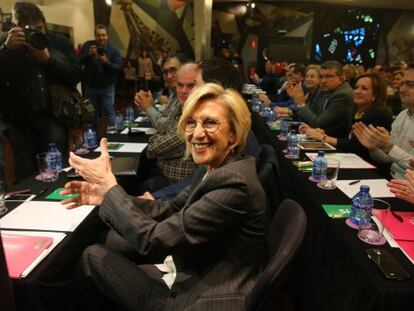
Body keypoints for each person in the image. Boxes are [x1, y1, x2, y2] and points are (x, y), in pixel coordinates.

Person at [61, 83, 266, 311]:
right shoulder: (215, 167)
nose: (197, 133)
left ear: (234, 135)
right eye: (191, 122)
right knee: (105, 243)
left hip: (203, 298)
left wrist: (111, 190)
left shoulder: (234, 184)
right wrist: (105, 197)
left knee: (91, 258)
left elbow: (154, 241)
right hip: (195, 271)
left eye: (210, 122)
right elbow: (169, 209)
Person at [0, 1, 81, 181]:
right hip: (19, 121)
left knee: (56, 171)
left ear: (44, 23)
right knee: (26, 175)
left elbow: (76, 74)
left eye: (38, 27)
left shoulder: (58, 41)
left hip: (54, 116)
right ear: (15, 26)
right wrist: (5, 50)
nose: (34, 32)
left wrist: (49, 61)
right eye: (27, 29)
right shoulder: (5, 42)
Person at [300, 73, 393, 163]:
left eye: (364, 88)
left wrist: (324, 137)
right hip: (351, 159)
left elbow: (358, 146)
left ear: (375, 96)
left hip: (370, 166)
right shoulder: (356, 109)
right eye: (356, 87)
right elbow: (341, 130)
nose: (357, 91)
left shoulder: (380, 114)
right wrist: (321, 131)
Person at [136, 63, 199, 194]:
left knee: (133, 187)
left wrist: (149, 108)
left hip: (180, 183)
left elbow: (153, 147)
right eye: (180, 85)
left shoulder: (197, 115)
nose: (183, 90)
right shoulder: (182, 104)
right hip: (165, 171)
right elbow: (164, 126)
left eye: (190, 86)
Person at [353, 65, 414, 179]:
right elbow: (388, 160)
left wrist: (389, 148)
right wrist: (373, 148)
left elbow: (410, 164)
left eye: (410, 85)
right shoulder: (402, 116)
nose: (401, 90)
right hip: (392, 179)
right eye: (402, 84)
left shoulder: (380, 113)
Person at [295, 60, 354, 138]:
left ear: (341, 78)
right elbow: (313, 112)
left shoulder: (342, 95)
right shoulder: (326, 90)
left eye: (329, 76)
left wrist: (301, 104)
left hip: (337, 142)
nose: (323, 81)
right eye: (321, 77)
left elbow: (318, 123)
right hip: (324, 134)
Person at [79, 24, 122, 126]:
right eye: (99, 35)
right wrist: (88, 55)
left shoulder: (114, 50)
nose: (101, 38)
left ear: (107, 36)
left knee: (109, 112)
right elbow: (78, 60)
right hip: (91, 87)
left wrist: (106, 62)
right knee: (91, 114)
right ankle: (95, 138)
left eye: (103, 35)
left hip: (107, 87)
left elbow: (118, 68)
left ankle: (114, 135)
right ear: (95, 36)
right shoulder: (88, 46)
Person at [134, 54, 186, 130]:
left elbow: (167, 129)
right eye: (165, 72)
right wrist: (150, 104)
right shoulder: (173, 92)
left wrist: (148, 107)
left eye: (173, 70)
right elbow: (165, 117)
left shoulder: (186, 95)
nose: (169, 76)